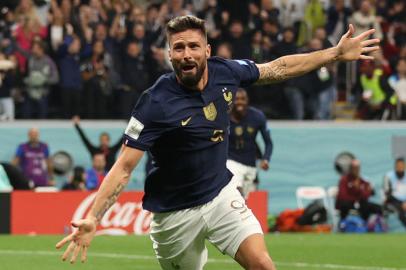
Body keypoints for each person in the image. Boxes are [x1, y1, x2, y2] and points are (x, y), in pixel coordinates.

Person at [56, 15, 380, 270]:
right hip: (174, 214)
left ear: (207, 51)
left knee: (263, 264)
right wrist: (94, 217)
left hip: (220, 195)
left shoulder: (226, 72)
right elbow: (124, 167)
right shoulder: (155, 102)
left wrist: (334, 54)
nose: (187, 54)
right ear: (169, 54)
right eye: (179, 47)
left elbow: (278, 68)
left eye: (194, 46)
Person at [227, 88, 273, 198]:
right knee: (236, 192)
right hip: (231, 161)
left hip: (250, 164)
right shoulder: (224, 117)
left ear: (247, 100)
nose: (240, 102)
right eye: (237, 99)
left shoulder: (257, 117)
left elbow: (268, 143)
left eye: (243, 99)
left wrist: (265, 159)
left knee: (244, 200)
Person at [383, 157, 406, 228]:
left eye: (402, 165)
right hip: (393, 201)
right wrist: (402, 203)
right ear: (395, 166)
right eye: (398, 166)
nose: (400, 167)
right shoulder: (388, 176)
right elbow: (387, 193)